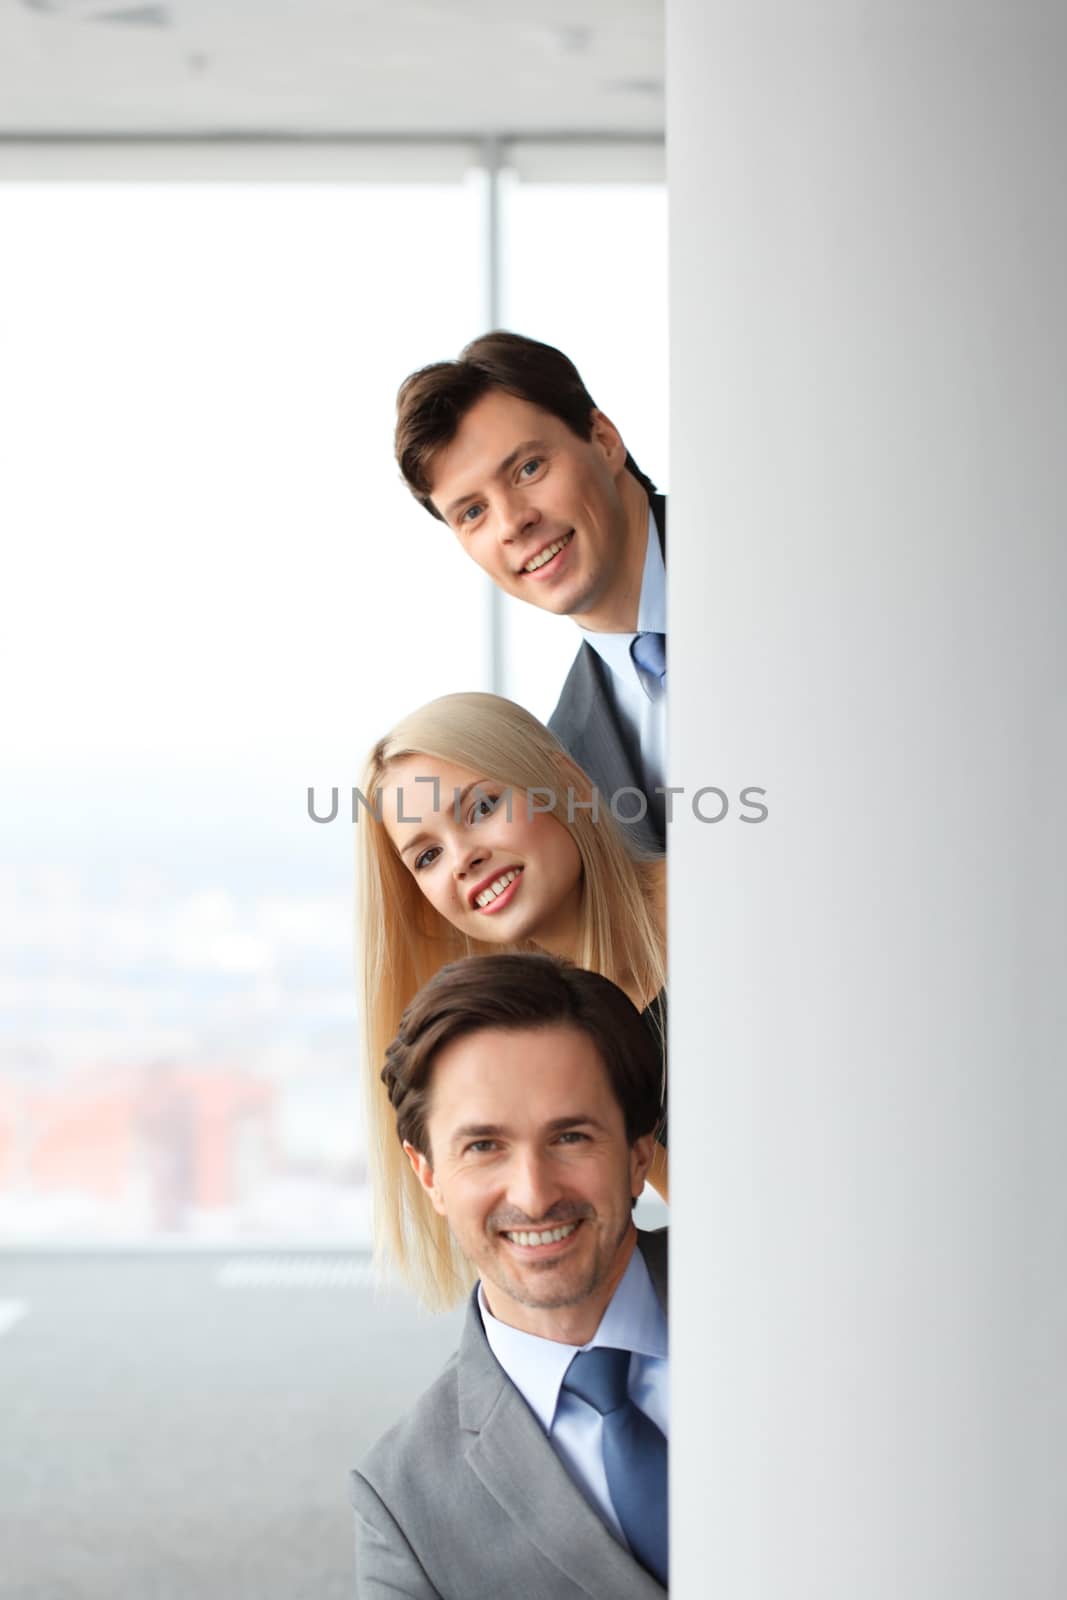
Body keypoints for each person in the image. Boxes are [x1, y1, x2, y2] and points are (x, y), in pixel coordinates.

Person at [351, 953, 669, 1599]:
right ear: (429, 1175)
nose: (533, 1194)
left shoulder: (784, 1304)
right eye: (484, 1146)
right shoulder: (402, 1504)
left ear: (638, 1154)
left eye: (571, 1137)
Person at [357, 691, 667, 1310]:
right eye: (428, 855)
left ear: (566, 781)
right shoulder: (570, 1051)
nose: (464, 858)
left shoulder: (727, 899)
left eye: (484, 807)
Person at [394, 330, 668, 852]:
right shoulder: (561, 758)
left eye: (528, 469)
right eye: (473, 512)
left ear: (604, 439)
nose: (512, 524)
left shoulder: (791, 552)